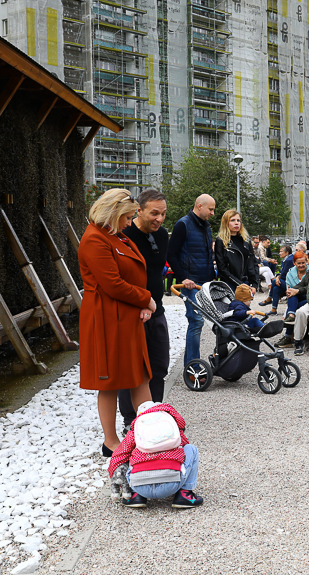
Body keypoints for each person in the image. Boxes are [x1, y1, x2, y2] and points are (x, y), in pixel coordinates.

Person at [78, 189, 155, 456]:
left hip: (124, 315)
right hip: (107, 317)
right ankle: (110, 442)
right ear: (113, 213)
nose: (130, 221)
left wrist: (142, 303)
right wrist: (146, 299)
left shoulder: (113, 235)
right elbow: (112, 284)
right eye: (127, 216)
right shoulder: (95, 239)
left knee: (139, 375)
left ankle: (150, 434)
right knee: (109, 380)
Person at [119, 189, 170, 433]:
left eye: (163, 214)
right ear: (138, 211)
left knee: (159, 365)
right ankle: (131, 420)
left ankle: (155, 413)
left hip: (156, 311)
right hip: (133, 313)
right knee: (132, 369)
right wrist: (140, 302)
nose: (159, 219)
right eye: (154, 214)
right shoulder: (124, 236)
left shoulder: (162, 236)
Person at [108, 401, 203, 509]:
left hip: (139, 485)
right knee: (191, 449)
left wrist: (116, 479)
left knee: (130, 453)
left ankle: (135, 495)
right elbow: (185, 445)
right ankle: (185, 493)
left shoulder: (135, 432)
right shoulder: (172, 427)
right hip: (172, 484)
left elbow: (118, 455)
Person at [168, 194, 216, 367]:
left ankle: (191, 363)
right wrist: (183, 277)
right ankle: (193, 367)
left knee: (205, 322)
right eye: (210, 209)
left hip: (205, 282)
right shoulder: (183, 224)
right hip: (190, 282)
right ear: (199, 205)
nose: (212, 213)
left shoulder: (206, 226)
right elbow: (171, 253)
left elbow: (206, 255)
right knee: (196, 321)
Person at [214, 208, 260, 293]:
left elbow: (253, 263)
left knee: (243, 306)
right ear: (226, 223)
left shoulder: (246, 241)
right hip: (229, 283)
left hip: (246, 283)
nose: (236, 223)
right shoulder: (220, 241)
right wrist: (239, 283)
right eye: (232, 220)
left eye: (238, 220)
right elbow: (221, 267)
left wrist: (254, 284)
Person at [260, 244, 292, 314]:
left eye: (281, 251)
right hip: (285, 281)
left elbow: (284, 275)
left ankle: (269, 298)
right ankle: (273, 310)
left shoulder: (289, 260)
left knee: (274, 281)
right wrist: (278, 277)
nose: (279, 253)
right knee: (276, 289)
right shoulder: (286, 259)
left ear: (287, 253)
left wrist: (278, 277)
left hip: (291, 284)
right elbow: (281, 273)